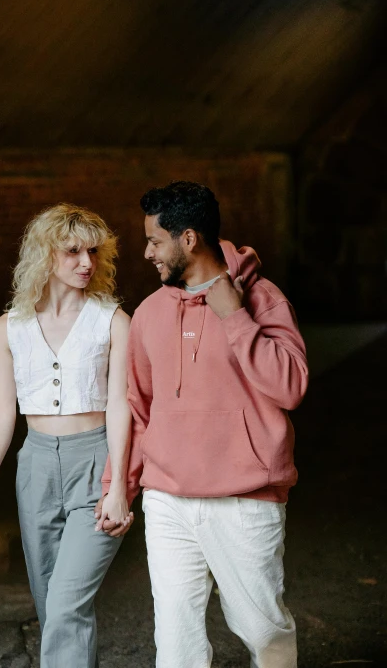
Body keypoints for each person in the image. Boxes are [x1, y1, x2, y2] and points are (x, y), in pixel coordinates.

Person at [98, 181, 308, 668]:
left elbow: (292, 386)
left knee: (263, 630)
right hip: (168, 498)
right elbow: (138, 407)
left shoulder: (263, 299)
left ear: (188, 239)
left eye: (154, 240)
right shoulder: (150, 313)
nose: (147, 252)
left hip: (244, 498)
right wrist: (117, 487)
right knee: (175, 641)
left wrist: (236, 319)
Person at [0, 203, 134, 668]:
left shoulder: (114, 321)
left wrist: (118, 483)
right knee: (53, 609)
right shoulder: (8, 330)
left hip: (94, 462)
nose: (87, 262)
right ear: (44, 255)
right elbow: (2, 412)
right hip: (36, 467)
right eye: (73, 251)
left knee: (66, 605)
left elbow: (122, 405)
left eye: (94, 252)